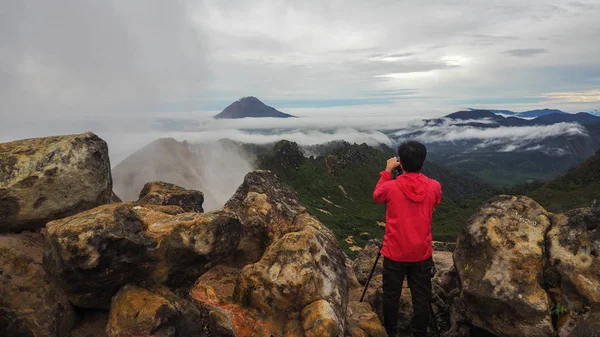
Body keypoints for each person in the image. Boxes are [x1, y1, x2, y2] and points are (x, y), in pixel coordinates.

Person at [373, 141, 442, 337]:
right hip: (421, 252)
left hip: (394, 251)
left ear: (400, 162)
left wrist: (387, 171)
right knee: (421, 296)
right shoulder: (434, 186)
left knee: (391, 295)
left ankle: (390, 331)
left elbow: (377, 196)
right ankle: (420, 332)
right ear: (423, 161)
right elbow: (436, 201)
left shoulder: (391, 187)